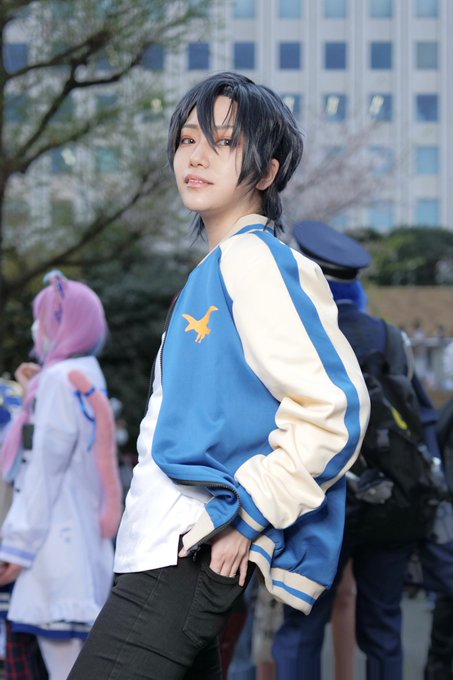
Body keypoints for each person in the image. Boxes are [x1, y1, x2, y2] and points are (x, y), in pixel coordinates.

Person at [67, 71, 369, 680]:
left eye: (225, 142)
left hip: (190, 545)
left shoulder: (257, 262)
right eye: (187, 139)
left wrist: (248, 515)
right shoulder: (221, 265)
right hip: (165, 543)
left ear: (267, 172)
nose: (196, 156)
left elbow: (335, 411)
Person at [273, 220, 442, 680]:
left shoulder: (294, 337)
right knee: (384, 626)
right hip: (391, 500)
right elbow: (422, 419)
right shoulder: (390, 337)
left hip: (315, 500)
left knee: (302, 625)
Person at [0, 271, 121, 680]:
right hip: (82, 543)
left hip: (54, 550)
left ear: (61, 322)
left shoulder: (59, 380)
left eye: (42, 318)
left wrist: (15, 546)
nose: (37, 329)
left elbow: (42, 473)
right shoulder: (84, 374)